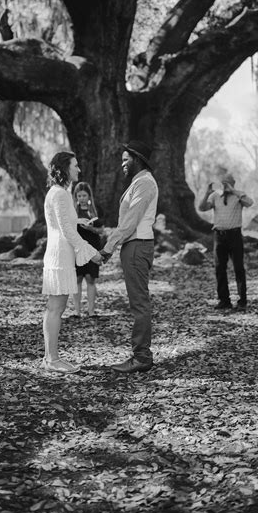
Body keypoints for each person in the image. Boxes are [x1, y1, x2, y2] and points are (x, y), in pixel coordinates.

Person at [100, 140, 159, 373]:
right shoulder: (139, 182)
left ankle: (142, 356)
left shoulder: (144, 183)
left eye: (126, 159)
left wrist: (108, 247)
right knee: (138, 301)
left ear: (137, 159)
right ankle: (141, 354)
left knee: (139, 303)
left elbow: (129, 221)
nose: (122, 164)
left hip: (137, 246)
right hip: (133, 246)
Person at [42, 152, 102, 374]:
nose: (79, 169)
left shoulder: (57, 193)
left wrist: (79, 220)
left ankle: (50, 357)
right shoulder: (62, 195)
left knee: (53, 308)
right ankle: (53, 359)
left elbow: (63, 222)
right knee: (56, 308)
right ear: (65, 168)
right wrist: (91, 252)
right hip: (60, 255)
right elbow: (67, 231)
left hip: (57, 254)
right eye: (75, 166)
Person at [199, 173, 253, 310]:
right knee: (219, 268)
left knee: (238, 268)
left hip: (234, 235)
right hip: (219, 236)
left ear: (233, 183)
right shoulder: (215, 196)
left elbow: (250, 203)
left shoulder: (239, 195)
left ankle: (242, 301)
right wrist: (206, 193)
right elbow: (202, 208)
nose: (225, 185)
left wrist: (233, 191)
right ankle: (224, 300)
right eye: (223, 183)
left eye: (228, 183)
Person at [72, 181, 104, 317]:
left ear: (89, 196)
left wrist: (91, 228)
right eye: (79, 196)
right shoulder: (73, 211)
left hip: (92, 248)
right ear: (76, 197)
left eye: (84, 195)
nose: (82, 198)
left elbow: (101, 230)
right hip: (77, 249)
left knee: (90, 279)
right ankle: (77, 311)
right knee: (77, 279)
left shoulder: (95, 211)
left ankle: (91, 311)